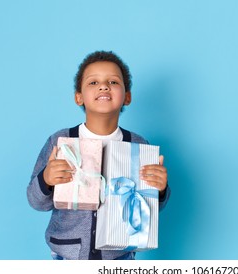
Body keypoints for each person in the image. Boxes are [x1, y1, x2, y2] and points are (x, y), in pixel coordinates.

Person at [27, 50, 170, 260]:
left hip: (119, 257)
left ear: (127, 97)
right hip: (67, 256)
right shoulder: (60, 142)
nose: (103, 86)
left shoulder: (138, 145)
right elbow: (36, 202)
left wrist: (160, 190)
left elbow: (148, 209)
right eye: (93, 82)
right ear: (78, 97)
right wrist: (46, 179)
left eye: (113, 82)